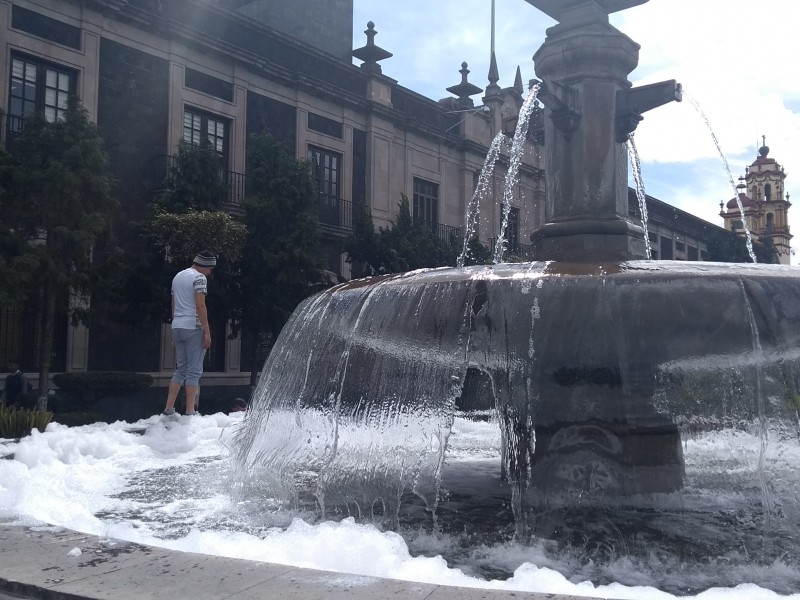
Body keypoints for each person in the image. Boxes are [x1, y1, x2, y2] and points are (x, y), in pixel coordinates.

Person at [161, 251, 216, 417]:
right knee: (194, 370)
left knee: (181, 369)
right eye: (210, 269)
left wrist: (175, 326)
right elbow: (200, 305)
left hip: (178, 325)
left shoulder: (178, 276)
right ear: (204, 265)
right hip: (193, 326)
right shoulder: (199, 278)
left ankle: (169, 408)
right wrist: (206, 330)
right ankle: (190, 410)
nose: (210, 272)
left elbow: (173, 304)